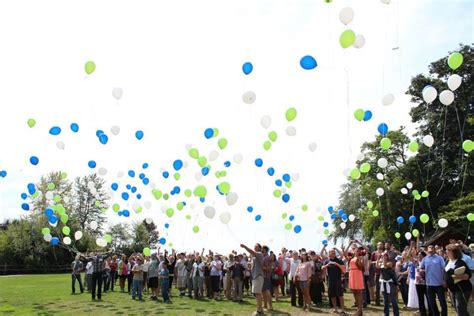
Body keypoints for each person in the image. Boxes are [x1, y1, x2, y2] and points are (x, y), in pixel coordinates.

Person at [420, 245, 448, 316]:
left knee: (443, 303)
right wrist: (422, 270)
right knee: (432, 303)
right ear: (427, 249)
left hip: (439, 283)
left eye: (432, 248)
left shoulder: (439, 258)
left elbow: (444, 269)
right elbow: (420, 268)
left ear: (435, 250)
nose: (431, 249)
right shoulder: (425, 259)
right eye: (429, 247)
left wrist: (444, 280)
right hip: (429, 284)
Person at [445, 244, 472, 316]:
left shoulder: (460, 262)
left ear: (453, 252)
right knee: (457, 308)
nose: (446, 251)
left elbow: (468, 275)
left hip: (462, 289)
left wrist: (459, 276)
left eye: (448, 250)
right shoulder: (447, 262)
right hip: (452, 289)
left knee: (460, 308)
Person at [241, 243, 264, 315]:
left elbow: (251, 251)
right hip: (255, 276)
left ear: (260, 248)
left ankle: (259, 310)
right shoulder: (254, 257)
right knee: (257, 294)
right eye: (254, 246)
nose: (254, 247)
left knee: (257, 294)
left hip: (258, 276)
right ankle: (260, 309)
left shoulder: (259, 253)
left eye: (256, 246)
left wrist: (245, 246)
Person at [322, 248, 346, 314]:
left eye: (333, 252)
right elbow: (322, 267)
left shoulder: (338, 260)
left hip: (338, 280)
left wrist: (337, 264)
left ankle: (343, 309)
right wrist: (327, 265)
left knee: (340, 295)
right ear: (329, 253)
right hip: (330, 280)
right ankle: (335, 308)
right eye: (331, 252)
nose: (332, 253)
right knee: (332, 295)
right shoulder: (327, 260)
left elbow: (344, 269)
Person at [347, 242, 365, 316]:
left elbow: (362, 267)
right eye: (355, 250)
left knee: (359, 291)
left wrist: (359, 261)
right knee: (354, 291)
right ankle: (358, 308)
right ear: (353, 251)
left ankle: (360, 310)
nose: (357, 252)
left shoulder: (360, 258)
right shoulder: (351, 258)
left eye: (358, 251)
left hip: (357, 274)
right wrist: (348, 245)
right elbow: (344, 253)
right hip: (352, 273)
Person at [371, 242, 384, 306]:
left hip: (384, 272)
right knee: (377, 287)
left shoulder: (384, 253)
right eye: (379, 244)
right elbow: (371, 262)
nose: (380, 245)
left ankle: (386, 301)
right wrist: (376, 262)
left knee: (384, 287)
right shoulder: (374, 253)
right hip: (377, 272)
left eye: (381, 244)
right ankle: (377, 301)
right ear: (377, 246)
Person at [261, 246, 273, 311]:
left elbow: (269, 268)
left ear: (265, 250)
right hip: (262, 276)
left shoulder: (267, 257)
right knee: (263, 291)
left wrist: (261, 267)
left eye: (262, 249)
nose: (261, 250)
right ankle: (265, 305)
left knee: (267, 291)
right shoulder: (263, 257)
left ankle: (270, 306)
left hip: (266, 276)